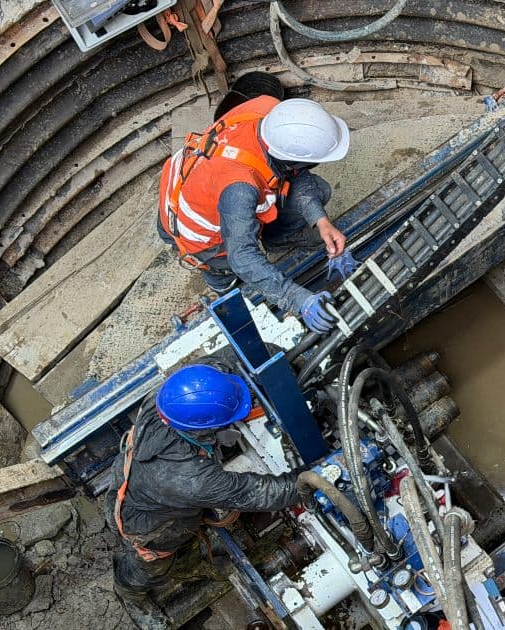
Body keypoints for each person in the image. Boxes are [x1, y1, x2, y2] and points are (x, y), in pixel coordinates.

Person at [107, 363, 301, 627]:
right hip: (151, 526)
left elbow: (215, 367)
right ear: (203, 429)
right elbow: (261, 493)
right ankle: (129, 590)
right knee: (153, 562)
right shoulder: (191, 479)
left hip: (128, 476)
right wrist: (316, 479)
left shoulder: (168, 397)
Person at [157, 95, 350, 333]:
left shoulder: (269, 109)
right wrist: (296, 298)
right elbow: (242, 256)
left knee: (318, 191)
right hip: (197, 235)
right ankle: (223, 286)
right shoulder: (239, 188)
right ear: (288, 159)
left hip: (192, 185)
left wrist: (321, 221)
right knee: (227, 271)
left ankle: (277, 239)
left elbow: (297, 174)